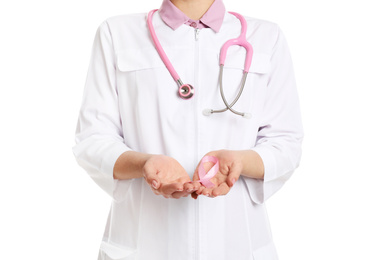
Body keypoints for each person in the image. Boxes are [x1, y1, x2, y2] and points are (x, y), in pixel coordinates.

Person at [72, 0, 303, 259]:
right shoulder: (116, 33)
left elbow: (286, 142)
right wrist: (144, 164)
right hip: (146, 245)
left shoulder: (266, 37)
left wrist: (240, 161)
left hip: (235, 244)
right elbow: (92, 138)